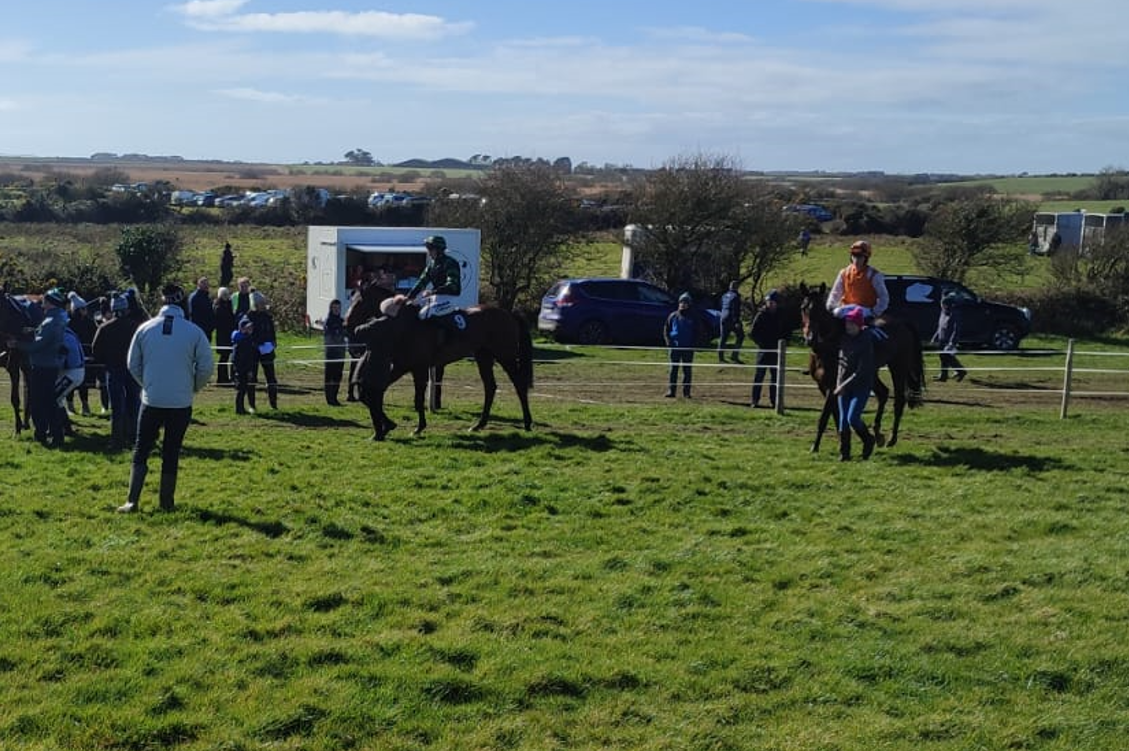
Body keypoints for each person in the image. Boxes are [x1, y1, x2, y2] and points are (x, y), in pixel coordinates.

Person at [118, 283, 213, 513]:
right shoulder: (194, 331)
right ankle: (166, 502)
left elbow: (133, 364)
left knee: (141, 449)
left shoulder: (145, 328)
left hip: (151, 400)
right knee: (171, 452)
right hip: (181, 403)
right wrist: (192, 388)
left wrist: (147, 385)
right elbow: (206, 368)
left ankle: (132, 501)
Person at [10, 287, 68, 447]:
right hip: (50, 365)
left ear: (51, 303)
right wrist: (33, 330)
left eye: (45, 301)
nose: (42, 304)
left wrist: (17, 344)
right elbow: (44, 336)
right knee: (49, 401)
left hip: (42, 366)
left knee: (39, 403)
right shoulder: (56, 318)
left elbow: (37, 346)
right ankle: (56, 435)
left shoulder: (50, 321)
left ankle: (42, 434)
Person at [92, 293, 143, 450]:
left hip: (113, 369)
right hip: (133, 369)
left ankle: (116, 440)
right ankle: (134, 438)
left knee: (117, 406)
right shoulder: (136, 327)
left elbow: (95, 350)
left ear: (113, 309)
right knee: (134, 404)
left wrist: (106, 360)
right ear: (126, 308)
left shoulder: (105, 328)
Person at [834, 307, 876, 461]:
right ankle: (844, 453)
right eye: (847, 324)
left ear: (859, 325)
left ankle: (868, 440)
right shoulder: (844, 339)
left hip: (861, 385)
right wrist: (839, 382)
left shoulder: (866, 342)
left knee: (853, 418)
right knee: (843, 420)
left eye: (852, 324)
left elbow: (862, 369)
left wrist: (843, 385)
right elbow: (841, 362)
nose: (848, 326)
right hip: (843, 384)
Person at [826, 239, 889, 321]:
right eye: (854, 255)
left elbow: (884, 297)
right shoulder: (843, 273)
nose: (856, 259)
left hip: (865, 311)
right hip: (846, 310)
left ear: (866, 258)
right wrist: (830, 306)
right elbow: (835, 293)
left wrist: (874, 312)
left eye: (860, 256)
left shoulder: (874, 275)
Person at [405, 235, 461, 323]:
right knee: (412, 306)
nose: (429, 252)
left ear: (438, 250)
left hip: (449, 298)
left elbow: (452, 285)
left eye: (430, 249)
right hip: (436, 297)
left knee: (423, 314)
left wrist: (432, 291)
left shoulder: (450, 263)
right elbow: (422, 281)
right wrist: (408, 297)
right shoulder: (432, 264)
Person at [749, 290, 783, 409]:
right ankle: (755, 400)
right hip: (763, 351)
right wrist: (761, 344)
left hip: (776, 351)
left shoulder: (779, 316)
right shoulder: (761, 315)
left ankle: (775, 401)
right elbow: (752, 333)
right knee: (759, 376)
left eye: (773, 302)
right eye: (770, 302)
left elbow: (784, 332)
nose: (772, 304)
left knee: (775, 377)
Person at [66, 291, 97, 416]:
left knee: (84, 382)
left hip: (86, 355)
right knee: (70, 381)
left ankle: (85, 405)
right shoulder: (69, 322)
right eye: (83, 308)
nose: (85, 310)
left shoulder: (89, 322)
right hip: (71, 356)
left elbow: (94, 336)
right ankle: (70, 405)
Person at [248, 291, 279, 409]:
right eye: (261, 302)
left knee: (271, 377)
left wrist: (273, 341)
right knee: (252, 378)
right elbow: (248, 334)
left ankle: (273, 403)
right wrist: (255, 344)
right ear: (255, 304)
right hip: (254, 352)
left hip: (268, 351)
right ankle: (252, 405)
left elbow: (271, 331)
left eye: (263, 302)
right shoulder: (249, 316)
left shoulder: (267, 316)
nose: (263, 304)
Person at [663, 292, 697, 398]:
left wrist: (694, 343)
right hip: (675, 347)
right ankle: (671, 391)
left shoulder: (693, 317)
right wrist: (669, 342)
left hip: (688, 348)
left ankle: (686, 392)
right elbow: (666, 330)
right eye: (681, 302)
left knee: (687, 370)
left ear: (689, 304)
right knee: (673, 369)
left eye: (685, 302)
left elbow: (698, 332)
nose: (683, 304)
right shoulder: (673, 316)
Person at [55, 324, 86, 438]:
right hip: (74, 371)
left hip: (72, 373)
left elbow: (62, 358)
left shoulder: (63, 336)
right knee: (57, 400)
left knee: (52, 399)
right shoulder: (69, 332)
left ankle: (57, 431)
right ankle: (66, 429)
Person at [932, 293, 967, 383]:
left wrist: (952, 342)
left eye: (944, 304)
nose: (942, 306)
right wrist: (935, 337)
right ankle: (944, 375)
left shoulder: (955, 314)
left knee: (947, 356)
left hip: (949, 340)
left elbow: (956, 329)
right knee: (943, 357)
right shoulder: (943, 313)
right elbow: (940, 326)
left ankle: (960, 371)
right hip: (942, 338)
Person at [231, 316, 258, 414]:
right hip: (242, 368)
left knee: (243, 389)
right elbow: (242, 357)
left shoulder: (247, 339)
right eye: (248, 327)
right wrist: (248, 370)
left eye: (251, 327)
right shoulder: (243, 341)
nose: (251, 329)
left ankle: (241, 408)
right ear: (242, 329)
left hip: (243, 367)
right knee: (241, 390)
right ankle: (239, 409)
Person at [322, 299, 347, 406]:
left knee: (338, 375)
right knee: (330, 375)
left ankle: (335, 397)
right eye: (335, 308)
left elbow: (346, 334)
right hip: (331, 352)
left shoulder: (342, 321)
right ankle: (329, 398)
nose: (337, 310)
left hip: (340, 352)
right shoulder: (329, 321)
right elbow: (329, 336)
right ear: (331, 309)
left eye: (338, 308)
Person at [716, 281, 744, 364]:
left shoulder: (724, 295)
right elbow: (735, 310)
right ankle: (734, 356)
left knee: (723, 338)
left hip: (723, 317)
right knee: (740, 336)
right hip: (731, 318)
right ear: (737, 287)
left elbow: (720, 305)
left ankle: (721, 358)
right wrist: (737, 321)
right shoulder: (736, 297)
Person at [213, 286, 235, 384]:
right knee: (224, 356)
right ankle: (221, 378)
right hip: (222, 334)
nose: (226, 296)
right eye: (224, 294)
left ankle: (227, 376)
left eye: (227, 294)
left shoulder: (228, 304)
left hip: (228, 333)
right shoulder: (218, 306)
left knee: (228, 356)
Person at [187, 277, 215, 343]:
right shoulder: (194, 297)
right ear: (199, 285)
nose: (206, 286)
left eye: (207, 284)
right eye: (204, 284)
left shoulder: (206, 296)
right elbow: (191, 313)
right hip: (198, 328)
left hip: (207, 328)